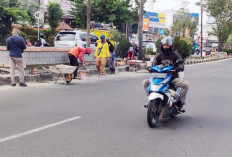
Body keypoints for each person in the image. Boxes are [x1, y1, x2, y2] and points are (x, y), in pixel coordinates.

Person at [143, 36, 189, 112]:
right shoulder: (159, 55)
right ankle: (150, 100)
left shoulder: (175, 55)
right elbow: (153, 65)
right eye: (164, 45)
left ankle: (180, 104)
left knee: (186, 85)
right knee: (145, 83)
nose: (165, 47)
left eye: (167, 45)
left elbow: (181, 66)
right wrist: (150, 68)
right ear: (162, 46)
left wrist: (175, 69)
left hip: (172, 78)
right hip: (159, 77)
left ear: (171, 46)